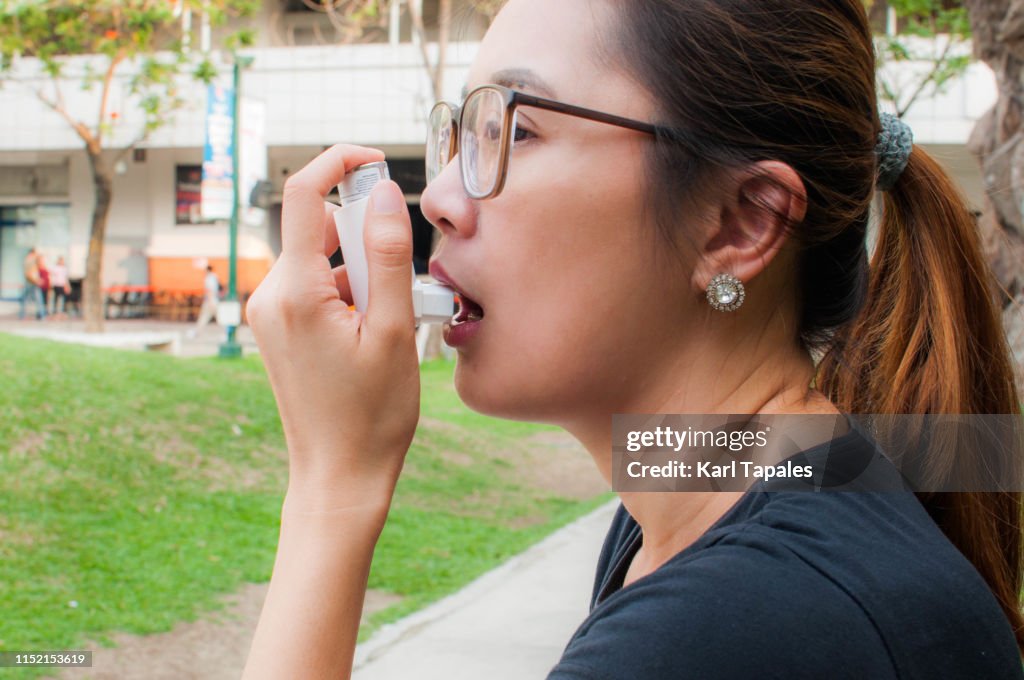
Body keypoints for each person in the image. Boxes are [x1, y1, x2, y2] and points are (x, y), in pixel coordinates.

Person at [240, 1, 1024, 678]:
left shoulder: (736, 627)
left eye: (518, 129)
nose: (439, 198)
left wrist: (331, 485)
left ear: (740, 223)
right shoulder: (717, 492)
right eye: (465, 133)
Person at [188, 265, 221, 338]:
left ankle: (197, 332)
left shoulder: (209, 278)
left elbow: (210, 290)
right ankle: (197, 332)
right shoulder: (215, 277)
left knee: (211, 317)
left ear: (207, 270)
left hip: (211, 301)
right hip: (214, 300)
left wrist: (210, 301)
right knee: (207, 317)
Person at [18, 247, 45, 321]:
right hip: (33, 282)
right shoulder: (31, 261)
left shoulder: (26, 260)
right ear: (33, 253)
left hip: (29, 281)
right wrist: (37, 281)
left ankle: (22, 315)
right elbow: (29, 273)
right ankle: (41, 315)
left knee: (25, 299)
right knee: (38, 299)